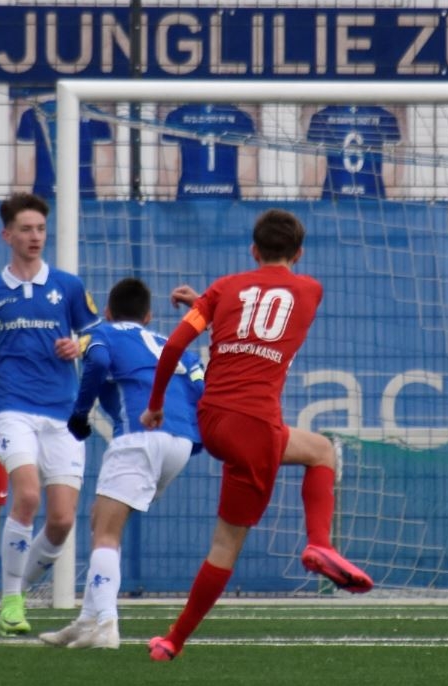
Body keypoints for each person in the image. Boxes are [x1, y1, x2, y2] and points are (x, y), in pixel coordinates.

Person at [140, 209, 374, 661]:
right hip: (255, 427)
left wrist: (155, 405)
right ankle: (318, 545)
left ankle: (173, 639)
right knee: (227, 543)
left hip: (214, 421)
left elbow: (175, 346)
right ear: (299, 254)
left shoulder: (222, 290)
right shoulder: (310, 290)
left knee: (318, 449)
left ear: (253, 250)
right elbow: (270, 317)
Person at [38, 278, 206, 650]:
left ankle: (106, 624)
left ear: (108, 312)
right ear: (148, 316)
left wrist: (81, 412)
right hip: (181, 443)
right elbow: (200, 387)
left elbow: (97, 360)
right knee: (101, 517)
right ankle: (87, 620)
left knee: (105, 532)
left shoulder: (102, 333)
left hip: (140, 436)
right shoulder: (172, 344)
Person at [0, 192, 103, 635]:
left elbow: (95, 340)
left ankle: (18, 590)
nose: (35, 236)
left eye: (40, 229)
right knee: (26, 496)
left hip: (63, 411)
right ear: (7, 235)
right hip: (11, 408)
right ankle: (10, 601)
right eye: (26, 229)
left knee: (62, 520)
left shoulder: (68, 286)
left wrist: (76, 345)